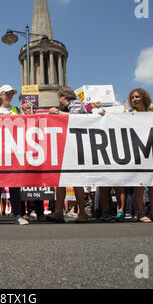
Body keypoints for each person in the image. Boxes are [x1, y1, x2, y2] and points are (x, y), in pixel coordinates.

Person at [0, 85, 29, 225]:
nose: (9, 96)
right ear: (0, 95)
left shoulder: (18, 110)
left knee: (15, 184)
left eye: (11, 93)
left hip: (14, 152)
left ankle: (17, 214)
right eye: (6, 93)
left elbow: (28, 124)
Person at [123, 88, 153, 223]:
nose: (134, 99)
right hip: (137, 151)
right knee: (139, 183)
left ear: (144, 98)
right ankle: (141, 213)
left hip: (152, 149)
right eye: (132, 97)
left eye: (137, 97)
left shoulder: (152, 111)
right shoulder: (128, 112)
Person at [48, 87, 89, 223]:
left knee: (77, 181)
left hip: (76, 146)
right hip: (66, 146)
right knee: (60, 182)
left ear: (64, 97)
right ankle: (59, 212)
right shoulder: (66, 108)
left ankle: (82, 213)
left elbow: (75, 118)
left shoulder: (75, 104)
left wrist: (57, 112)